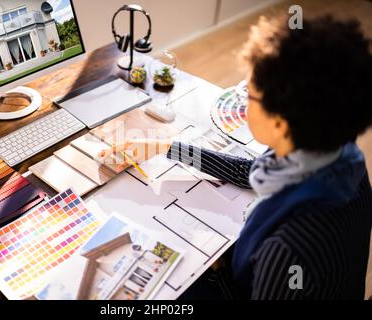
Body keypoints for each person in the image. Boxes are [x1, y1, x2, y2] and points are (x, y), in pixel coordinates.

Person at [99, 15, 372, 299]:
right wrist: (166, 145)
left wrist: (214, 267)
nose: (241, 98)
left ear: (280, 122)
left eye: (249, 93)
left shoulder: (287, 251)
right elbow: (248, 172)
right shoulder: (338, 152)